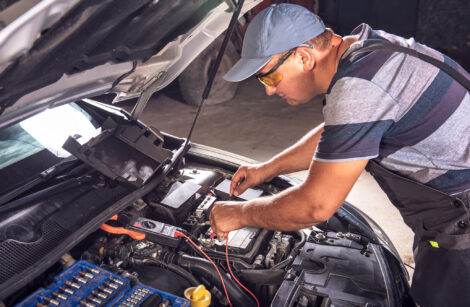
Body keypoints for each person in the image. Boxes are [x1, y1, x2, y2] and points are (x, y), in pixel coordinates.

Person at [208, 3, 470, 306]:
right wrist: (267, 169)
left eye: (269, 78)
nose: (268, 91)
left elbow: (316, 206)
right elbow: (340, 133)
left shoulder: (358, 89)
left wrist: (240, 214)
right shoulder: (368, 48)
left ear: (304, 57)